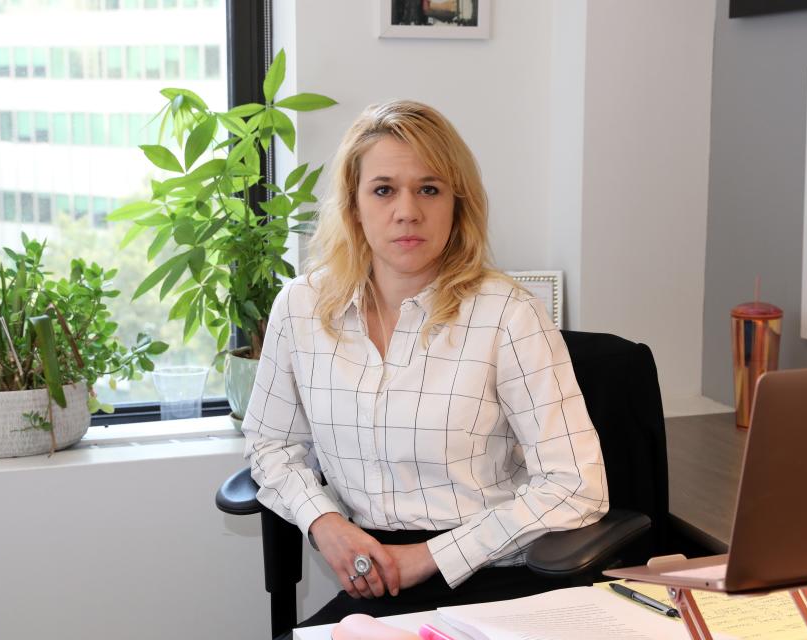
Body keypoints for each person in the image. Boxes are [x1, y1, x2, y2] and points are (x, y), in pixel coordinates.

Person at [242, 100, 608, 633]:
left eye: (429, 189)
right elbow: (269, 444)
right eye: (384, 189)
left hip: (493, 577)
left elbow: (578, 484)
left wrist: (432, 556)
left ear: (457, 204)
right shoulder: (300, 308)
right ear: (354, 205)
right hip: (371, 577)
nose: (407, 210)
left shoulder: (507, 314)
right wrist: (324, 522)